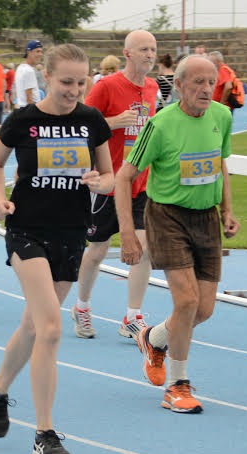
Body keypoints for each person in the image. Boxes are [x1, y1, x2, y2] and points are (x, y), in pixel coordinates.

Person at [0, 43, 114, 454]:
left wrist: (100, 183)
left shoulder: (92, 121)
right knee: (52, 328)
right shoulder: (24, 120)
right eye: (65, 82)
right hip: (27, 230)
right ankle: (45, 433)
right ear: (48, 78)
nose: (73, 90)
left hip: (71, 233)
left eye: (80, 82)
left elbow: (110, 176)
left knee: (34, 325)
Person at [114, 54, 239, 414]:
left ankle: (154, 338)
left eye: (211, 82)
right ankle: (177, 386)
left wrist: (228, 210)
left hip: (206, 218)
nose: (206, 89)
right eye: (198, 82)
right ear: (180, 85)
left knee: (203, 309)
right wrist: (127, 232)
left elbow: (220, 164)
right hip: (168, 216)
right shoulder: (161, 124)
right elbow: (124, 176)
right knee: (186, 302)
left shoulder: (222, 116)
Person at [71, 29, 158, 339]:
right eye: (144, 49)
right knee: (97, 249)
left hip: (140, 182)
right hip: (109, 183)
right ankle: (81, 306)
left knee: (144, 248)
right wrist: (113, 122)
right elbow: (79, 124)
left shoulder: (152, 87)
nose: (150, 54)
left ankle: (132, 316)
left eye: (153, 49)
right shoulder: (107, 86)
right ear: (127, 53)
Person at [15, 40, 44, 109]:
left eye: (41, 52)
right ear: (29, 52)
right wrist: (33, 112)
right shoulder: (29, 71)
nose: (40, 54)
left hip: (21, 108)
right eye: (37, 51)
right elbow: (29, 97)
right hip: (29, 109)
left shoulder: (20, 67)